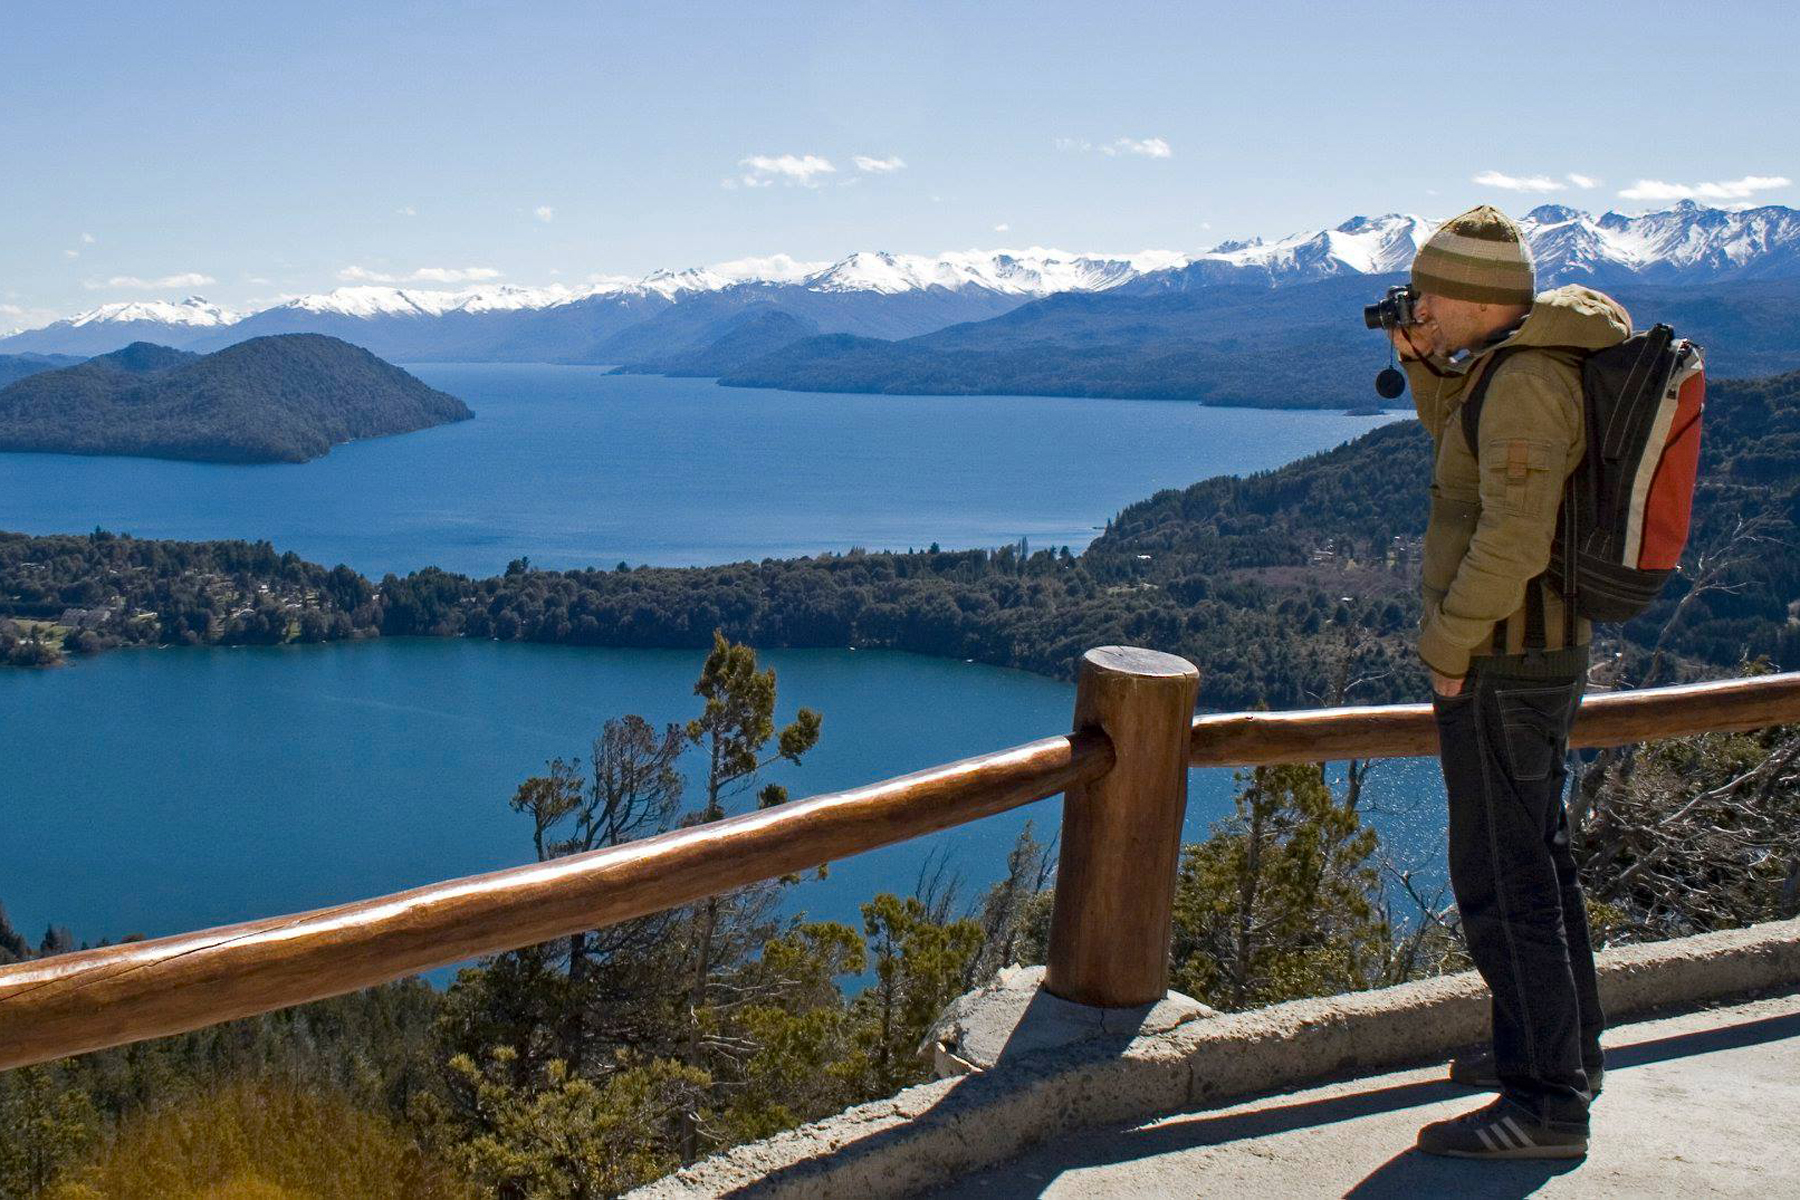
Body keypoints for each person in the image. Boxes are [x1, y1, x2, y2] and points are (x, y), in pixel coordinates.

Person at [1389, 205, 1630, 1160]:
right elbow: (1460, 450)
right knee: (1538, 857)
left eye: (1428, 296)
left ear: (1475, 297)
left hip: (1505, 657)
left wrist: (1448, 645)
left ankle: (1543, 1103)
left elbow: (1513, 538)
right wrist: (1419, 359)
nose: (1418, 308)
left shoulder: (1527, 380)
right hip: (1525, 654)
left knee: (1502, 876)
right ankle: (1566, 1056)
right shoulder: (1506, 370)